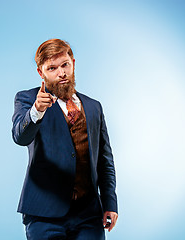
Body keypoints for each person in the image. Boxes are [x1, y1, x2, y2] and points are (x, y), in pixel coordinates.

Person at [12, 38, 118, 240]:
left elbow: (105, 161)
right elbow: (20, 136)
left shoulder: (94, 106)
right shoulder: (28, 99)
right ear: (40, 72)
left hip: (89, 214)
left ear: (73, 64)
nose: (61, 73)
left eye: (65, 65)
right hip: (45, 215)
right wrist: (37, 110)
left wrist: (110, 203)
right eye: (52, 68)